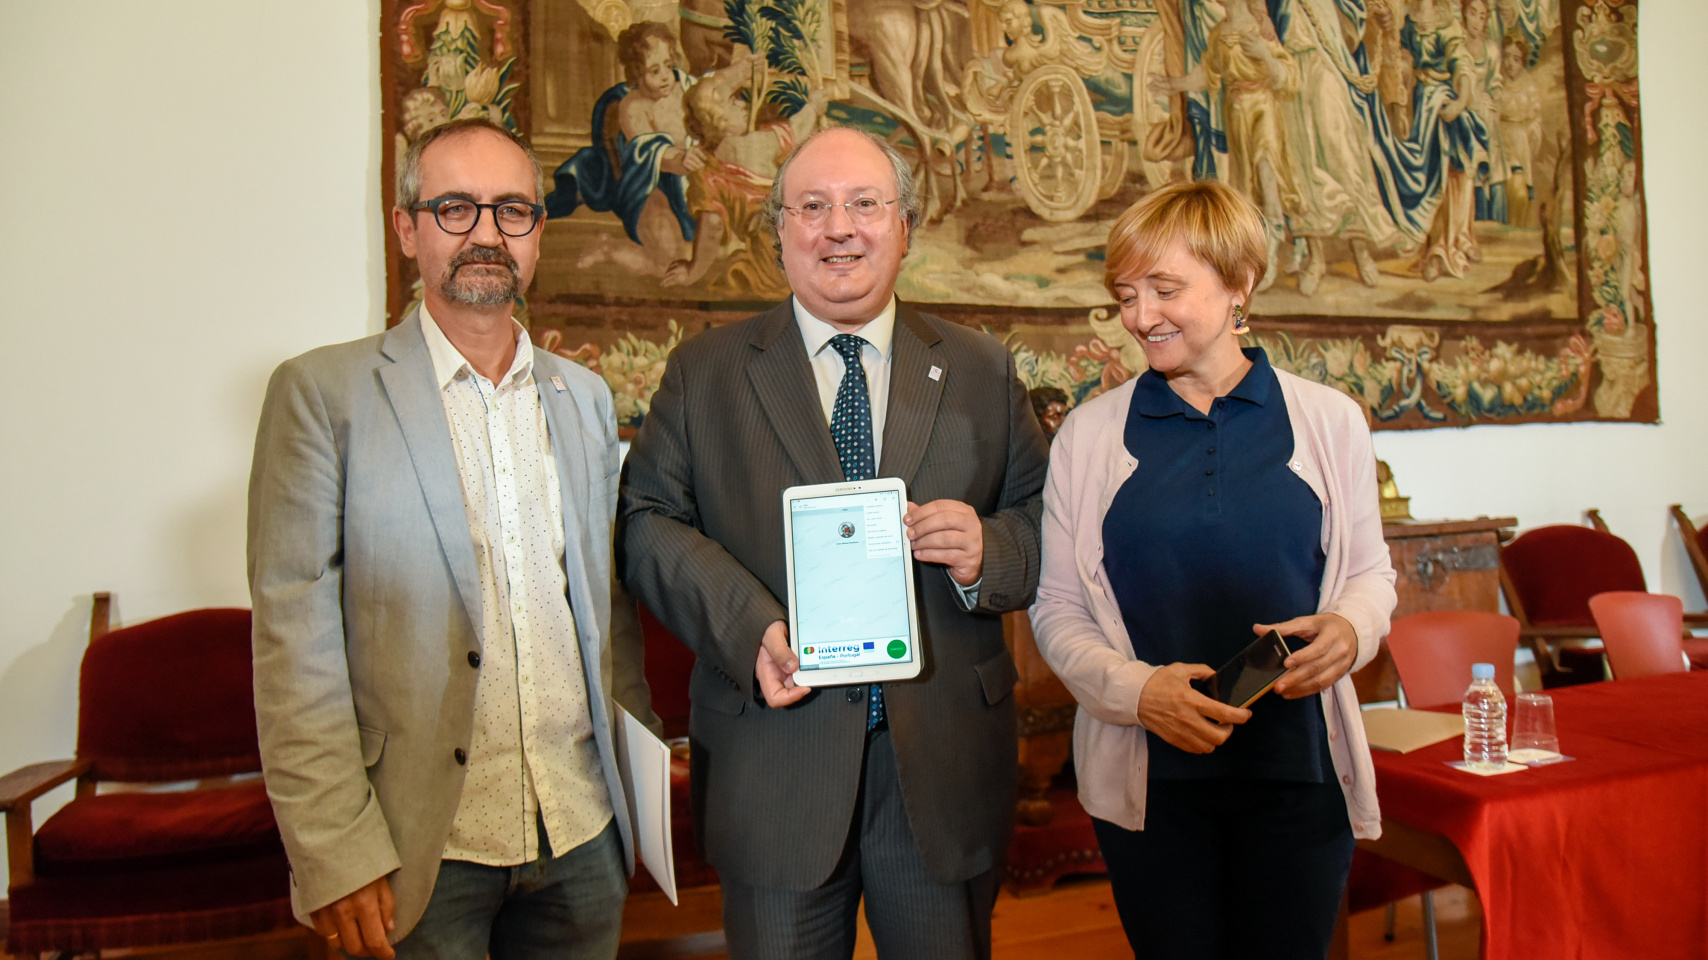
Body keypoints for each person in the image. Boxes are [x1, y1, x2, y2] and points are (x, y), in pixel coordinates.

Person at [618, 125, 1050, 960]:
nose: (839, 228)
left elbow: (1042, 527)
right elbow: (648, 524)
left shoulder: (982, 371)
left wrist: (985, 550)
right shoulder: (703, 373)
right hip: (774, 761)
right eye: (812, 207)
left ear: (905, 226)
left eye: (864, 205)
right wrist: (749, 628)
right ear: (779, 229)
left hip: (942, 767)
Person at [248, 117, 656, 960]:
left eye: (512, 210)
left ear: (538, 232)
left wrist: (638, 782)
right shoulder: (324, 395)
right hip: (416, 844)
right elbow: (295, 645)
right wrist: (334, 851)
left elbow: (605, 608)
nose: (485, 234)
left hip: (580, 829)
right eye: (455, 208)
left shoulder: (581, 397)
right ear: (408, 229)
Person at [1029, 179, 1396, 960]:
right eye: (1126, 295)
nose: (1140, 316)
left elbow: (1371, 576)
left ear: (1240, 285)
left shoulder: (1330, 420)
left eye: (1165, 289)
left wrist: (1349, 629)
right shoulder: (1089, 437)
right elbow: (1056, 609)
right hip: (1151, 791)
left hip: (1299, 776)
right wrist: (1139, 692)